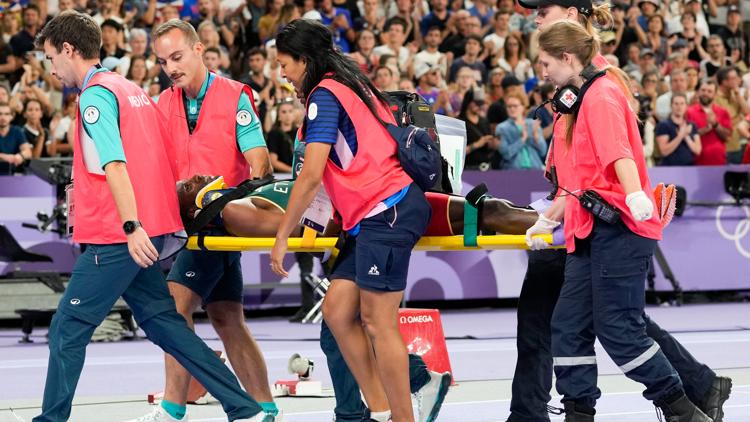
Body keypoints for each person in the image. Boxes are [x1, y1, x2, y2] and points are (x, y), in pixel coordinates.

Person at [32, 11, 269, 422]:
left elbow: (116, 166)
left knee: (68, 327)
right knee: (167, 325)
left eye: (51, 57)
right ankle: (244, 407)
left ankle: (50, 419)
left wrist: (131, 227)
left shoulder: (95, 96)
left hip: (119, 235)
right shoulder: (131, 90)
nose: (51, 68)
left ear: (69, 50)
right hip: (153, 230)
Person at [516, 1, 731, 421]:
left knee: (618, 327)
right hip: (583, 222)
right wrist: (552, 215)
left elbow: (618, 154)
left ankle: (685, 404)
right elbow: (578, 171)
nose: (537, 16)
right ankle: (691, 392)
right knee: (576, 327)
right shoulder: (574, 88)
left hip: (614, 223)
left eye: (544, 10)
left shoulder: (599, 87)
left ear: (569, 35)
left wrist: (634, 194)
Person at [270, 19, 431, 422]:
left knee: (378, 322)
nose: (282, 73)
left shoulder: (323, 96)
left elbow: (310, 176)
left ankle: (403, 416)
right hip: (372, 216)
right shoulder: (347, 84)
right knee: (339, 311)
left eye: (285, 64)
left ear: (304, 60)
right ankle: (379, 411)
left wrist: (282, 236)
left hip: (388, 209)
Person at [131, 19, 278, 422]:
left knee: (175, 309)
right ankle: (265, 408)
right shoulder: (163, 104)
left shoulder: (235, 96)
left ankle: (173, 410)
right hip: (185, 228)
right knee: (227, 319)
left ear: (199, 50)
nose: (171, 67)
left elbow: (259, 160)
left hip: (220, 221)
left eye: (177, 57)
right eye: (163, 61)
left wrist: (235, 198)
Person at [655, 93, 702, 166]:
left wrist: (686, 136)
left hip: (689, 168)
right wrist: (680, 136)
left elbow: (697, 150)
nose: (679, 107)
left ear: (686, 106)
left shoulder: (691, 125)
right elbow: (664, 151)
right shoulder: (663, 125)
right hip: (670, 169)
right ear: (671, 105)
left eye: (682, 104)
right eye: (676, 104)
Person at [0, 101, 31, 174]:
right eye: (0, 114)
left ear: (11, 116)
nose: (3, 117)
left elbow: (28, 152)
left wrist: (20, 156)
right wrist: (4, 157)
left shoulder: (17, 131)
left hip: (12, 174)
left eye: (6, 114)